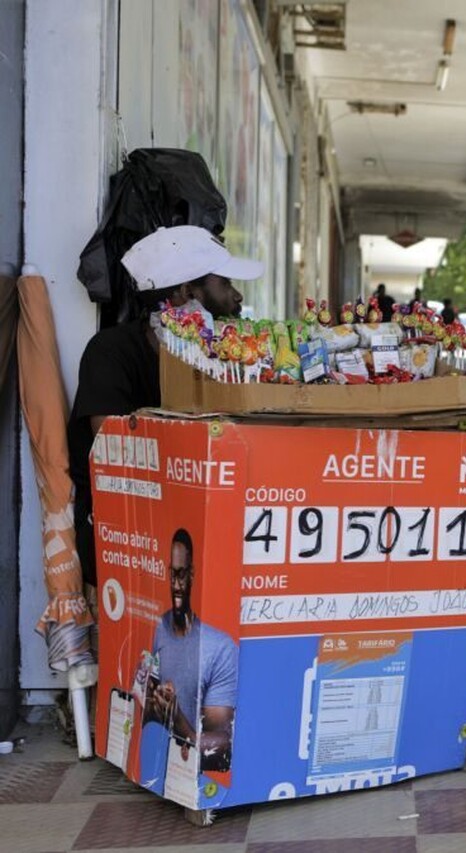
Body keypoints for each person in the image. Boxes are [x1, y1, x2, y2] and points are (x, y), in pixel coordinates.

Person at [68, 225, 262, 585]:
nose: (236, 297)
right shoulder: (111, 353)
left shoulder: (220, 360)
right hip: (125, 539)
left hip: (190, 528)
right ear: (187, 294)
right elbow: (116, 453)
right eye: (225, 284)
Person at [143, 528, 238, 771]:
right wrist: (150, 707)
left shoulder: (219, 647)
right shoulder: (155, 629)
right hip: (155, 769)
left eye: (182, 575)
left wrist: (177, 721)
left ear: (192, 574)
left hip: (193, 778)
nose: (176, 584)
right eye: (172, 575)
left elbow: (221, 750)